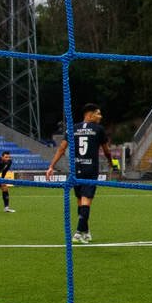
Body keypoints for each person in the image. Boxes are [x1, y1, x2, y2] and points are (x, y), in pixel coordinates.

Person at [45, 104, 108, 244]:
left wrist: (51, 166)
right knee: (86, 202)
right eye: (98, 113)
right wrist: (111, 162)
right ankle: (79, 232)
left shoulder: (73, 128)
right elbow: (106, 150)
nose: (100, 116)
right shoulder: (99, 129)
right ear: (89, 115)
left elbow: (61, 149)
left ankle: (86, 231)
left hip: (76, 169)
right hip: (90, 170)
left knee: (80, 201)